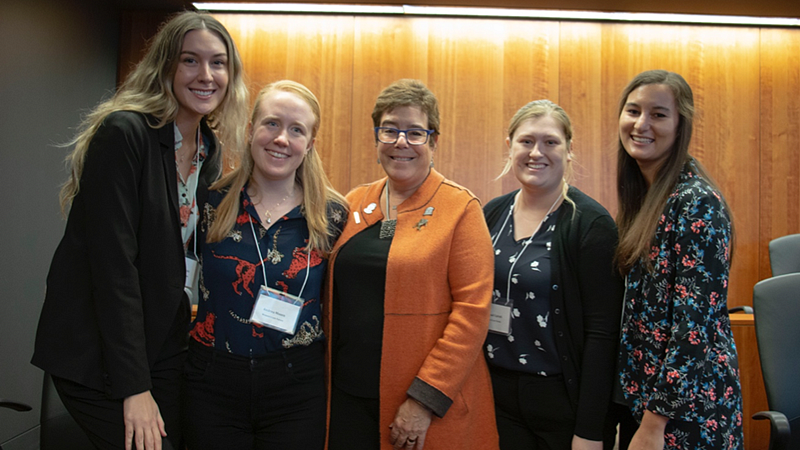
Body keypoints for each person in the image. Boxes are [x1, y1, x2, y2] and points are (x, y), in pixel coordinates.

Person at [30, 11, 248, 450]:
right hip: (96, 351)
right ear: (166, 65)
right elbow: (114, 269)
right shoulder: (125, 132)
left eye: (218, 63)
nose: (206, 75)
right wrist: (134, 388)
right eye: (190, 60)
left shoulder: (208, 147)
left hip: (160, 342)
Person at [324, 79, 499, 450]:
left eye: (415, 132)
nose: (401, 142)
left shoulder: (461, 209)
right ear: (376, 139)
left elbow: (472, 314)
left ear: (433, 142)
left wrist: (424, 399)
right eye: (390, 130)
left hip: (422, 406)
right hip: (346, 397)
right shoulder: (353, 202)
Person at [183, 80, 346, 450]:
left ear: (310, 144)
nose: (281, 138)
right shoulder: (210, 203)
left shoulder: (333, 217)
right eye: (271, 123)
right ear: (251, 130)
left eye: (296, 130)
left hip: (295, 388)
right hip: (212, 381)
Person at [613, 69, 743, 449]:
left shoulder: (696, 202)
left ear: (680, 124)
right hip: (649, 404)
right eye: (633, 111)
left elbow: (694, 327)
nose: (641, 124)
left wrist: (655, 423)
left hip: (686, 415)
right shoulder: (646, 198)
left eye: (658, 114)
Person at [482, 100, 623, 450]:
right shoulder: (491, 214)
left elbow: (603, 335)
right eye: (526, 141)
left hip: (562, 402)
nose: (536, 152)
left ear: (569, 150)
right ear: (510, 146)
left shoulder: (591, 225)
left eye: (550, 142)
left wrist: (590, 430)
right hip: (495, 396)